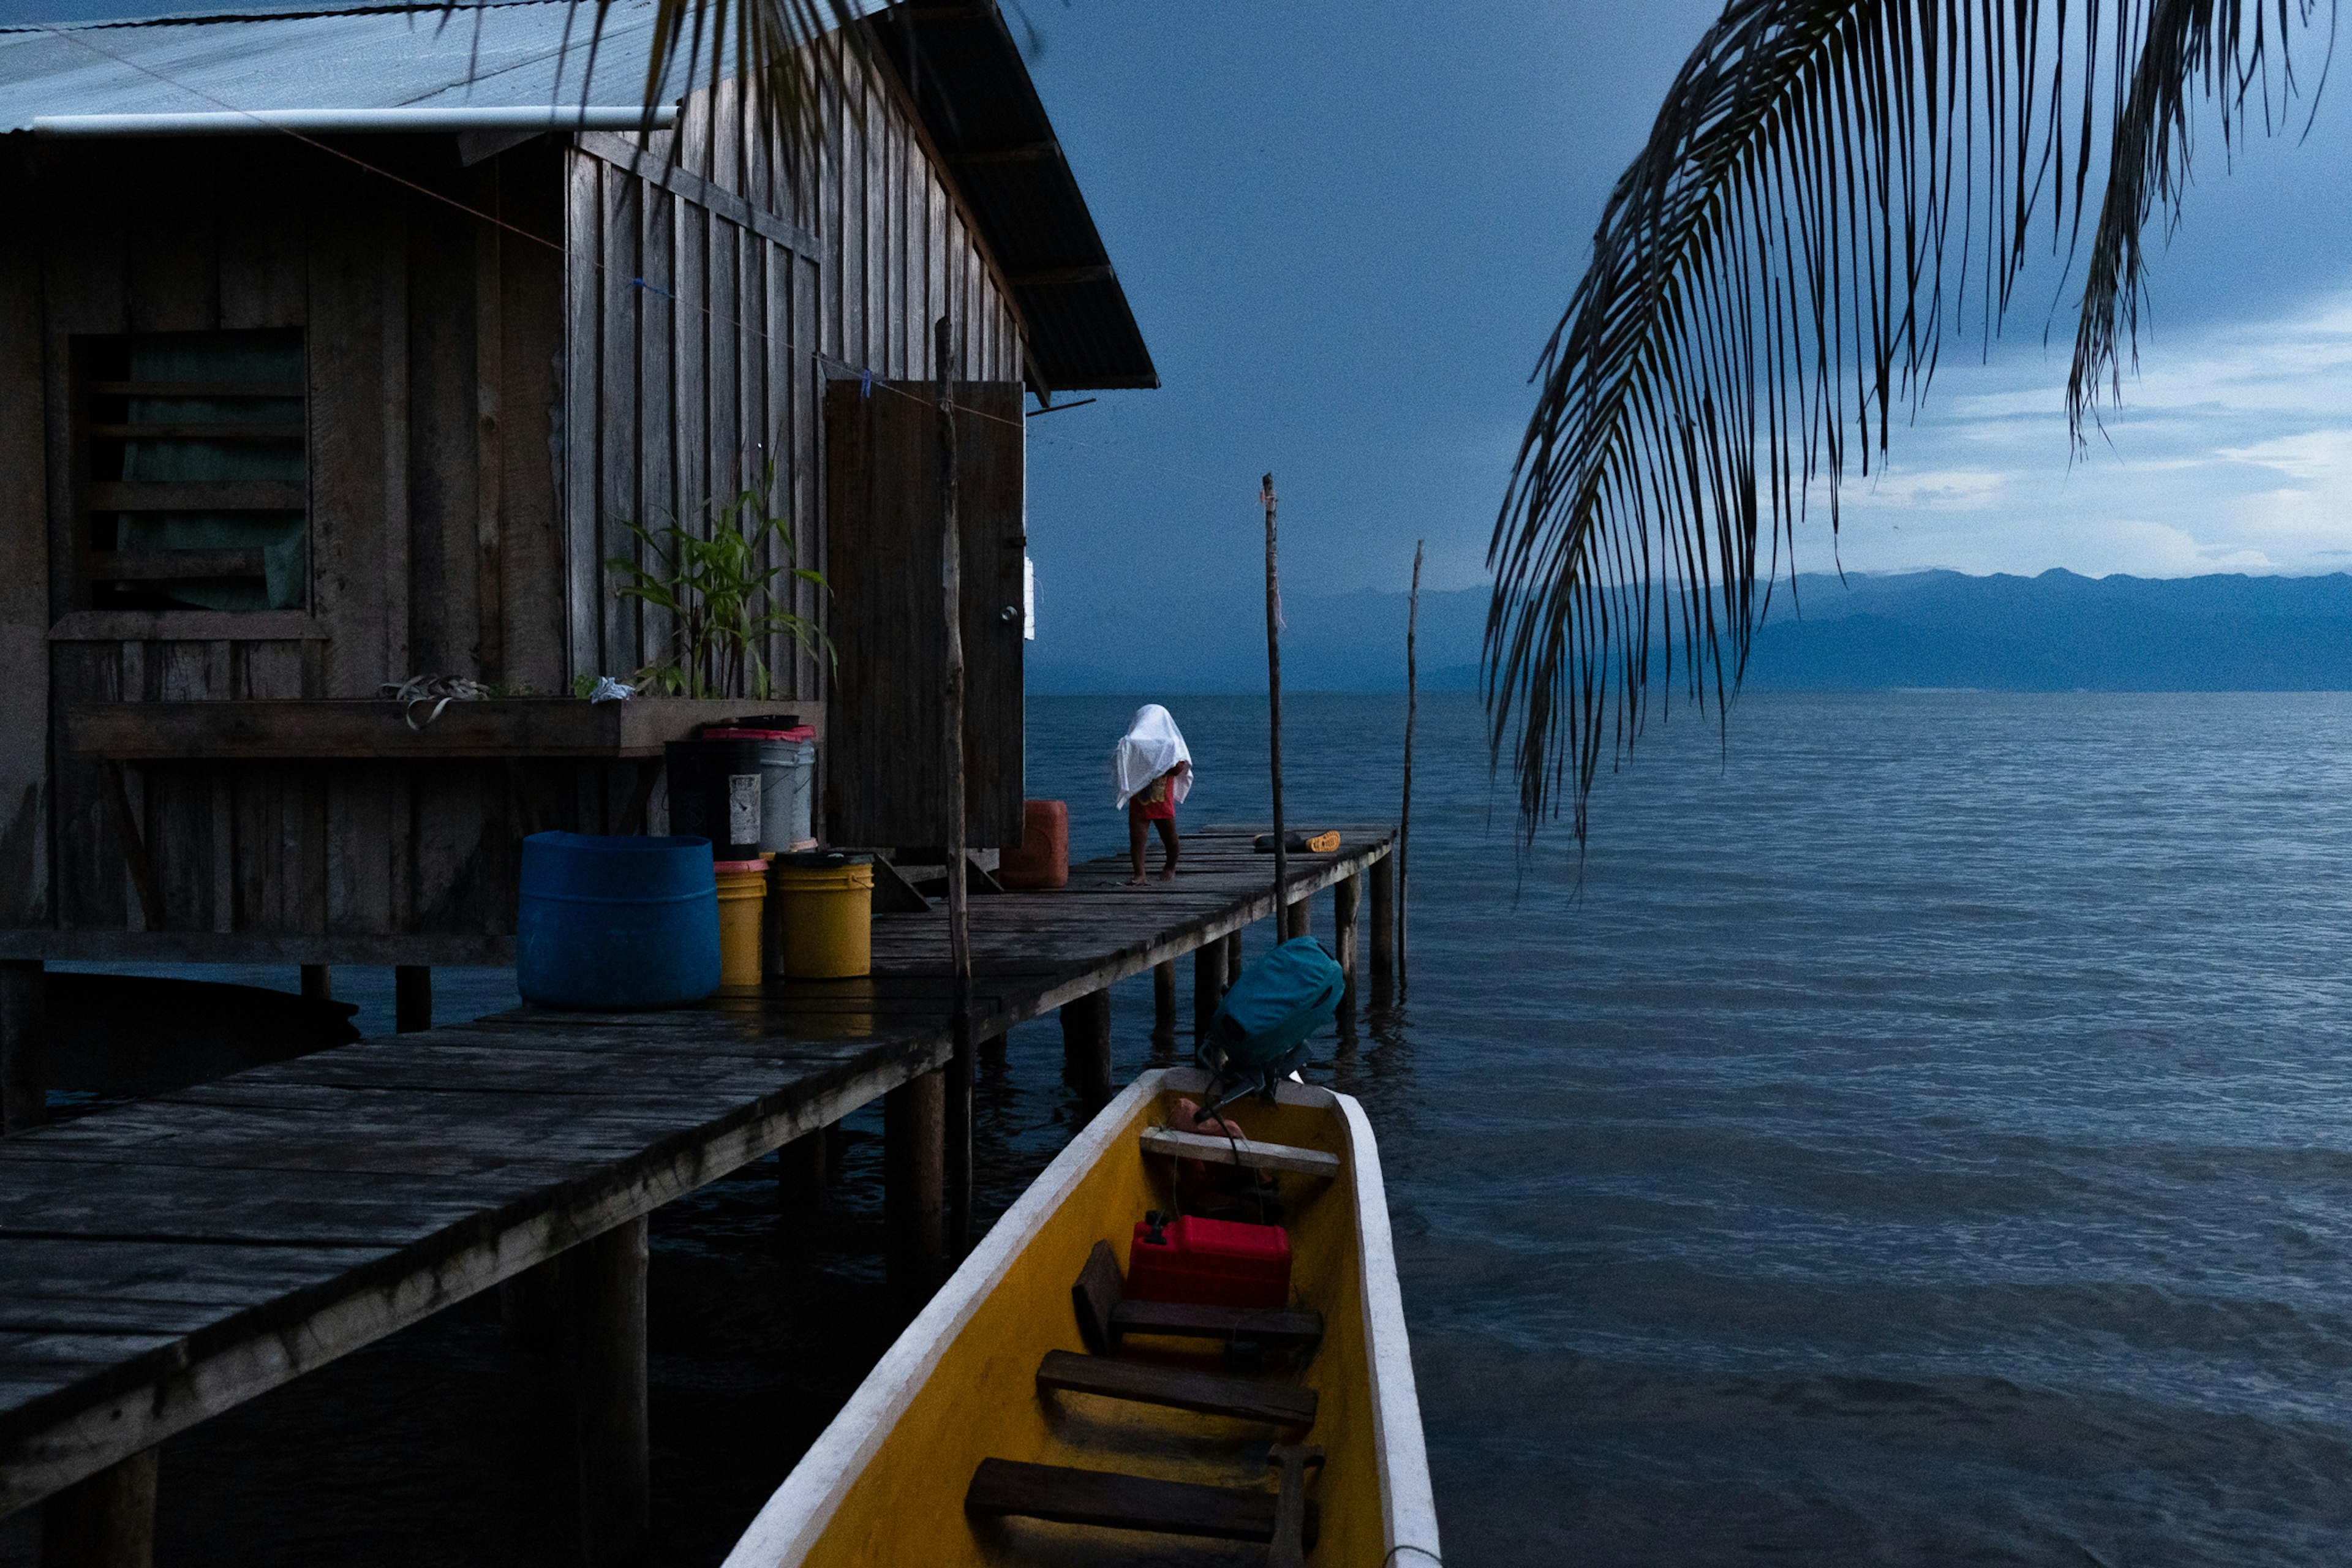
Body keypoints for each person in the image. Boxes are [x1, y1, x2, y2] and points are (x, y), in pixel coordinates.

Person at [1114, 703, 1193, 885]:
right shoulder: (1134, 742)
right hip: (1139, 801)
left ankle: (1171, 866)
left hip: (1162, 802)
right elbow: (1126, 764)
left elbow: (1178, 769)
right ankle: (1140, 873)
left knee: (1171, 839)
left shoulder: (1171, 743)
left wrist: (1162, 761)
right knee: (1137, 839)